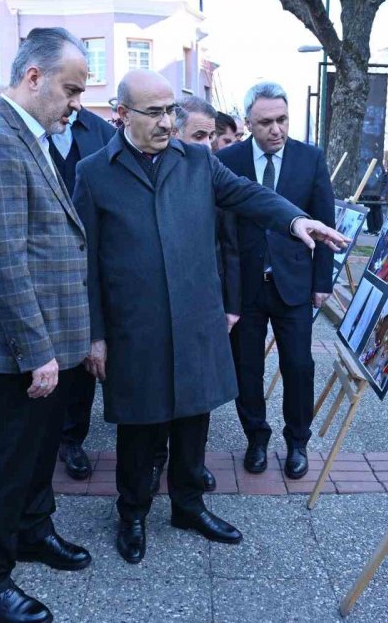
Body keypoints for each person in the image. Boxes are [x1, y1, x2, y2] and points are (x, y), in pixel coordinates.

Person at [74, 69, 348, 566]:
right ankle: (132, 514)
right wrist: (94, 335)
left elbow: (250, 196)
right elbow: (85, 260)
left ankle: (187, 505)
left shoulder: (198, 161)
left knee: (192, 421)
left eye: (170, 112)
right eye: (152, 112)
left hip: (194, 321)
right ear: (121, 114)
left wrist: (294, 219)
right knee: (140, 427)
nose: (165, 122)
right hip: (134, 328)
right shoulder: (94, 172)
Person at [0, 27, 93, 623]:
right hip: (18, 348)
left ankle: (33, 531)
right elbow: (3, 258)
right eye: (70, 88)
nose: (76, 103)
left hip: (47, 343)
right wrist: (38, 351)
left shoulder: (27, 136)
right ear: (32, 77)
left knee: (36, 456)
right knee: (6, 465)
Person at [217, 82, 336, 480]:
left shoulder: (310, 159)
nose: (276, 129)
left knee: (299, 366)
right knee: (246, 369)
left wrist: (323, 282)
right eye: (266, 122)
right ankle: (256, 437)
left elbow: (325, 224)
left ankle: (297, 442)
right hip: (245, 287)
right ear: (248, 122)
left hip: (294, 284)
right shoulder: (229, 159)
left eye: (282, 119)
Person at [148, 96, 241, 495]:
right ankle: (153, 465)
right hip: (158, 311)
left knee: (197, 402)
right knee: (154, 403)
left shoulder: (213, 171)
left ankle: (190, 473)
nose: (208, 145)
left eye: (213, 136)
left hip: (205, 307)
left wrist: (231, 305)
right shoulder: (158, 175)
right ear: (174, 133)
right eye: (199, 136)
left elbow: (230, 245)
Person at [48, 103, 115, 482]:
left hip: (89, 265)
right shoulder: (26, 127)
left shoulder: (99, 131)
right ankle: (42, 438)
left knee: (83, 362)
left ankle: (72, 439)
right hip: (40, 267)